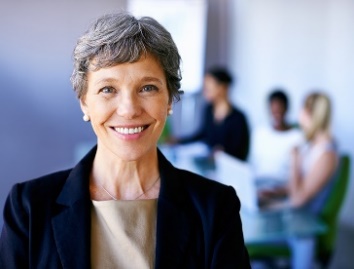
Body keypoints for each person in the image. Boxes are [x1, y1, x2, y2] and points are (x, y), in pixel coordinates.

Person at [0, 13, 250, 268]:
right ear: (84, 102)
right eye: (108, 89)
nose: (129, 109)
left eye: (147, 88)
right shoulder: (29, 207)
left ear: (169, 100)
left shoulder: (216, 208)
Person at [177, 66, 250, 161]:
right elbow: (203, 134)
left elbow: (241, 152)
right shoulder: (208, 110)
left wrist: (223, 152)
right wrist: (180, 141)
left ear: (222, 88)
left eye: (208, 88)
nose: (205, 91)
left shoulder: (238, 118)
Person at [250, 89, 304, 185]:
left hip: (281, 188)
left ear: (287, 108)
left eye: (280, 108)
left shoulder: (298, 137)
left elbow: (300, 174)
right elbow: (253, 163)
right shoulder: (260, 132)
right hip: (257, 184)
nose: (276, 113)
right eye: (273, 109)